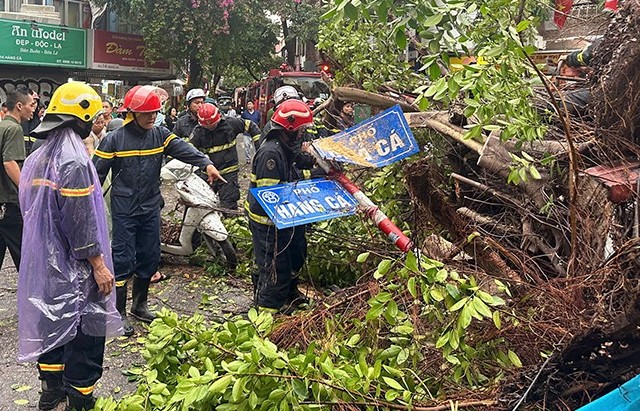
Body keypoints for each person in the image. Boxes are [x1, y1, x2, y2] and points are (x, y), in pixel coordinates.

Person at [17, 81, 122, 411]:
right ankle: (80, 398)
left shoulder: (39, 156)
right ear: (84, 118)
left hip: (47, 262)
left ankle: (51, 393)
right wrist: (98, 265)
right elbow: (80, 221)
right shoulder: (74, 161)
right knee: (86, 333)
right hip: (75, 268)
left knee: (52, 323)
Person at [93, 85, 224, 336]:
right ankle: (117, 312)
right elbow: (95, 172)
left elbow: (184, 150)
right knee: (122, 259)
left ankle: (139, 306)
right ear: (131, 113)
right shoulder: (114, 139)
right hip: (125, 209)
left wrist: (206, 163)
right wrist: (87, 202)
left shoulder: (160, 134)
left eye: (155, 112)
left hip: (150, 207)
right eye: (146, 113)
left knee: (150, 255)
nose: (152, 117)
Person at [246, 99, 317, 314]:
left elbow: (300, 161)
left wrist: (318, 163)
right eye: (302, 129)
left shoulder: (285, 147)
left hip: (287, 219)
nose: (303, 133)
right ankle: (265, 317)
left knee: (296, 255)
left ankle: (289, 294)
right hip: (269, 224)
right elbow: (271, 197)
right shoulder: (271, 154)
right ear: (290, 128)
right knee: (275, 270)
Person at [190, 102, 260, 211]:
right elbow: (190, 152)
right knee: (203, 204)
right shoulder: (198, 132)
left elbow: (251, 126)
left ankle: (230, 224)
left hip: (228, 173)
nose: (210, 128)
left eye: (212, 125)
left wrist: (259, 150)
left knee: (229, 205)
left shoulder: (231, 123)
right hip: (208, 174)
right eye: (207, 126)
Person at [0, 85, 35, 271]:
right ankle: (31, 300)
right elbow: (9, 162)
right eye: (31, 104)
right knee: (26, 262)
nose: (33, 108)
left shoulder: (1, 125)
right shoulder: (14, 129)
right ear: (19, 106)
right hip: (9, 206)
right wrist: (27, 190)